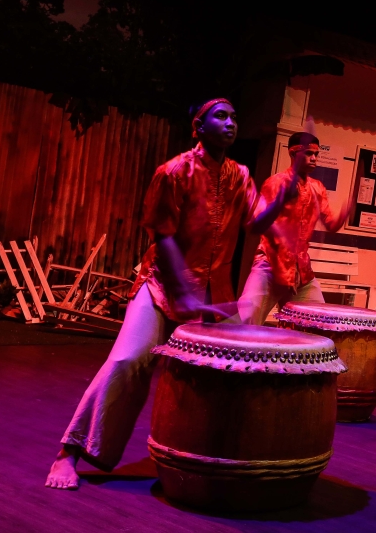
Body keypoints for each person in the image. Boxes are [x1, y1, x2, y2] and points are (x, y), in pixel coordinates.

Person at [45, 99, 296, 490]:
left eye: (234, 116)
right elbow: (161, 235)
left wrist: (282, 196)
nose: (231, 123)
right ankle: (69, 452)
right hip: (162, 285)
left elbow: (256, 222)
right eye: (221, 116)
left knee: (233, 371)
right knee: (128, 360)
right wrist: (182, 292)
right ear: (198, 126)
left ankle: (217, 460)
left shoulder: (241, 175)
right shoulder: (174, 171)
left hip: (213, 293)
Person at [234, 131, 351, 326]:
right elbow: (260, 222)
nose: (314, 158)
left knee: (320, 324)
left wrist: (346, 211)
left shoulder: (318, 188)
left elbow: (331, 224)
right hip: (270, 266)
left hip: (302, 271)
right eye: (307, 153)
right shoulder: (276, 182)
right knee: (246, 319)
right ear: (293, 154)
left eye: (316, 154)